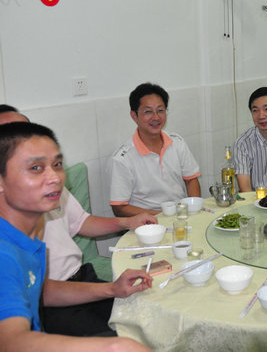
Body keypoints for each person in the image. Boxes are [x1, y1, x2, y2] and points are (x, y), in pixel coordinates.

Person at [0, 105, 156, 335]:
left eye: (57, 165)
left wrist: (112, 288)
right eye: (35, 167)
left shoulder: (32, 230)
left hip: (79, 282)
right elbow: (14, 339)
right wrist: (115, 345)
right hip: (57, 309)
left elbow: (44, 288)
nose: (54, 177)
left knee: (151, 319)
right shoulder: (8, 248)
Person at [110, 83, 201, 217]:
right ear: (134, 116)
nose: (156, 117)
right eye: (148, 112)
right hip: (146, 222)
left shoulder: (177, 142)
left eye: (160, 110)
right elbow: (119, 207)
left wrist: (194, 210)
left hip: (180, 216)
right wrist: (161, 215)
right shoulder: (123, 158)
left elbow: (191, 179)